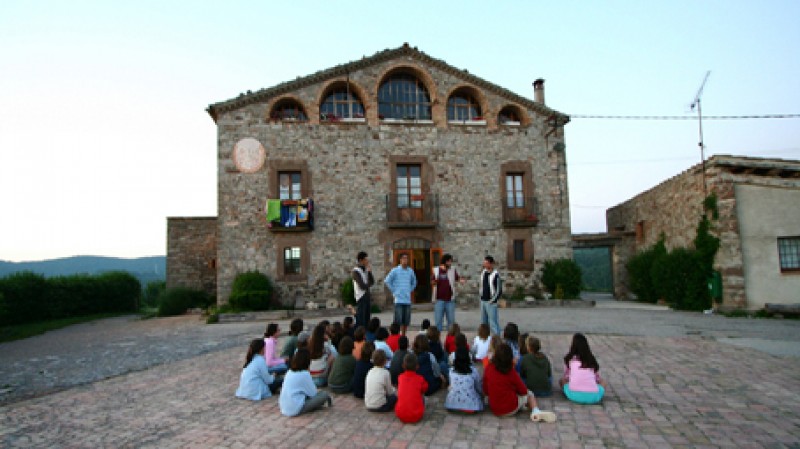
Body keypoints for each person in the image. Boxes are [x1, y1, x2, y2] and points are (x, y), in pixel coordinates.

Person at [483, 343, 555, 422]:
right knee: (530, 394)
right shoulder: (511, 372)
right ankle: (535, 411)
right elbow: (523, 391)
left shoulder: (489, 368)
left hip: (494, 408)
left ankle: (525, 406)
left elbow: (486, 390)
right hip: (510, 408)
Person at [279, 349, 332, 417]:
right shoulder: (304, 374)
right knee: (324, 395)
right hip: (296, 408)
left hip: (284, 407)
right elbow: (313, 394)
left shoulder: (289, 372)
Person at [559, 333, 607, 405]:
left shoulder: (570, 359)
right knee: (603, 382)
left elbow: (567, 377)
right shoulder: (591, 359)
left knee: (562, 381)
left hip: (573, 395)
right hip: (593, 397)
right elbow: (597, 378)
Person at [384, 253, 417, 335]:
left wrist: (410, 289)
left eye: (406, 258)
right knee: (398, 321)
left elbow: (414, 282)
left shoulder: (410, 271)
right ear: (400, 260)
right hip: (398, 300)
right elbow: (387, 281)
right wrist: (394, 291)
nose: (405, 260)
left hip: (407, 300)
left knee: (406, 321)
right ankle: (397, 337)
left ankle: (403, 336)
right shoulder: (395, 270)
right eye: (403, 258)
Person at [431, 253, 466, 331]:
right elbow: (432, 282)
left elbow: (458, 278)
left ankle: (450, 339)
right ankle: (437, 340)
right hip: (439, 300)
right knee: (438, 322)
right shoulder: (436, 270)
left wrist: (462, 281)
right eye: (449, 262)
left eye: (451, 261)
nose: (450, 263)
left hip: (450, 300)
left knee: (451, 322)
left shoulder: (453, 270)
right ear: (444, 262)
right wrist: (434, 282)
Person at [445, 347, 483, 413]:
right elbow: (478, 387)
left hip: (452, 405)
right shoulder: (473, 371)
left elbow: (451, 386)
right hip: (472, 406)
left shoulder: (451, 371)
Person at [395, 353, 429, 424]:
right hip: (416, 415)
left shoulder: (400, 377)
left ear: (403, 366)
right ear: (417, 366)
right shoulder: (420, 379)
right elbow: (425, 388)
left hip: (400, 414)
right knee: (423, 398)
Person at [478, 255, 503, 336]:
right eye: (484, 263)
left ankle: (497, 337)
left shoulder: (496, 275)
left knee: (493, 322)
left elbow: (499, 290)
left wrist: (492, 301)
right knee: (483, 322)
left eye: (486, 263)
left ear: (491, 264)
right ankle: (484, 337)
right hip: (483, 300)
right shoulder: (483, 273)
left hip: (491, 302)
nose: (485, 265)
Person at [352, 251, 375, 330]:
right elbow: (361, 285)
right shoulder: (355, 271)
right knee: (361, 319)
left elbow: (372, 282)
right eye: (365, 260)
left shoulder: (365, 270)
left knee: (367, 319)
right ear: (361, 260)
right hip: (361, 297)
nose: (367, 261)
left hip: (367, 296)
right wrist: (367, 285)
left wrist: (369, 272)